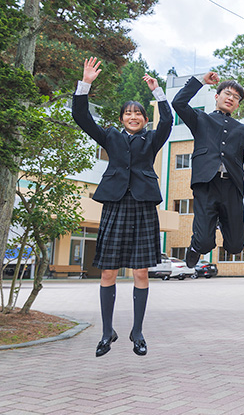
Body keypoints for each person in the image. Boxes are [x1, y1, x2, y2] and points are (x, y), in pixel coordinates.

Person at [72, 58, 172, 357]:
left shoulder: (152, 139)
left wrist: (158, 93)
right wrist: (86, 83)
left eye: (138, 113)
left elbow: (167, 121)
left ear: (144, 119)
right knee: (108, 273)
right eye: (128, 113)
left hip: (143, 207)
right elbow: (81, 117)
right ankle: (106, 332)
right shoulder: (110, 136)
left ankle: (137, 331)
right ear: (121, 118)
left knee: (141, 272)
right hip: (115, 205)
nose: (133, 116)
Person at [172, 71, 244, 268]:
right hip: (207, 185)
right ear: (217, 96)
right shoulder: (200, 119)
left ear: (237, 105)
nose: (231, 98)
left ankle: (220, 221)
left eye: (236, 98)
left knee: (236, 246)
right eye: (228, 94)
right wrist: (201, 80)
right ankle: (195, 247)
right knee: (204, 242)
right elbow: (178, 104)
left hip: (232, 187)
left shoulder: (243, 130)